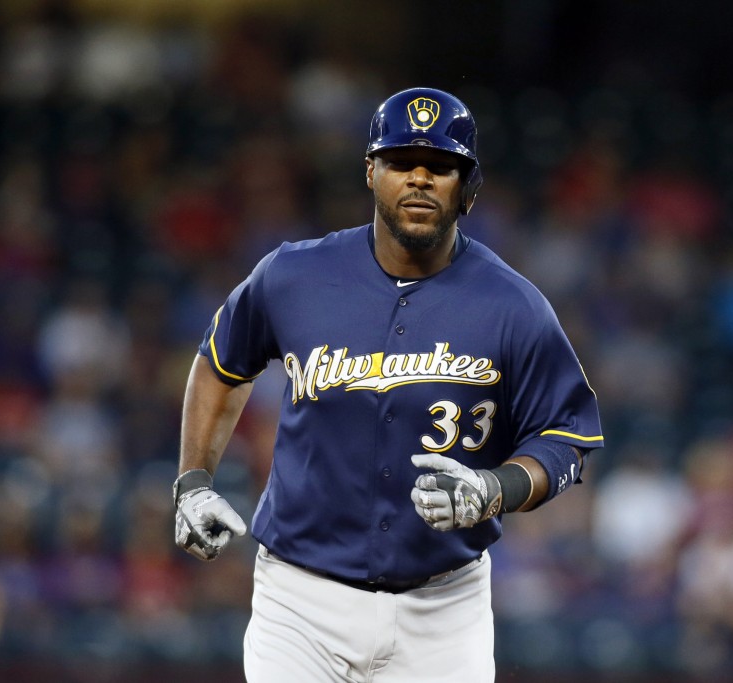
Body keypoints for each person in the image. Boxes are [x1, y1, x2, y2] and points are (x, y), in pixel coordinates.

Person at [173, 86, 604, 682]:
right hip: (299, 601)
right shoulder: (294, 275)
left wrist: (495, 486)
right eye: (402, 162)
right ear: (371, 172)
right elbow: (220, 364)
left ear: (469, 188)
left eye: (442, 167)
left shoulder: (513, 306)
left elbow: (567, 439)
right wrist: (194, 482)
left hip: (443, 610)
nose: (421, 179)